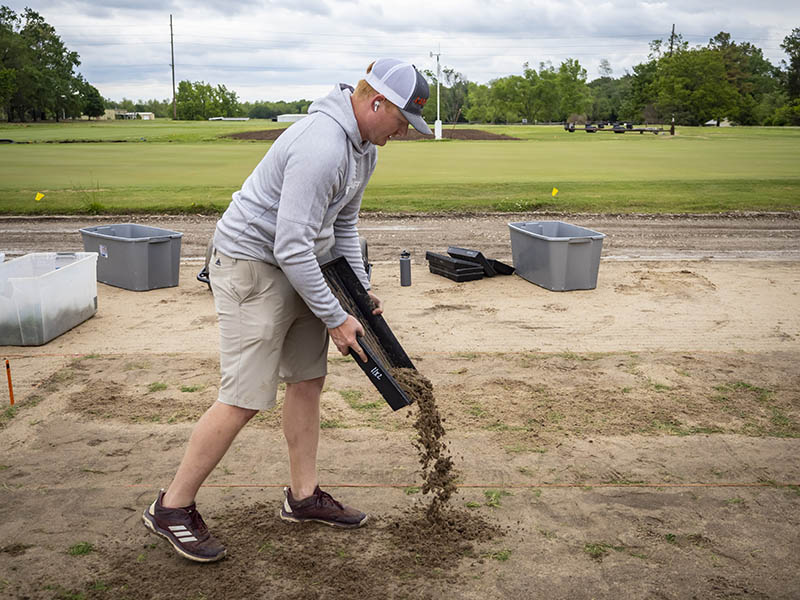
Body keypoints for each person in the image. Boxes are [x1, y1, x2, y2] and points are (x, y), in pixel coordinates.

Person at [142, 58, 431, 563]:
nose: (405, 130)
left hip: (299, 265)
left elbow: (342, 227)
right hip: (252, 265)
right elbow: (291, 245)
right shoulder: (322, 144)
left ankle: (303, 497)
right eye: (402, 118)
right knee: (245, 394)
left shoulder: (365, 149)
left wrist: (358, 296)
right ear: (375, 101)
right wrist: (337, 318)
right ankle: (171, 506)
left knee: (306, 380)